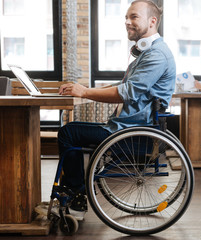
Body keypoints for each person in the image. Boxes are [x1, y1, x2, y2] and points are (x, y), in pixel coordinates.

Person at [57, 0, 176, 210]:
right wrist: (84, 87)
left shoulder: (156, 55)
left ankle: (76, 197)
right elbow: (127, 86)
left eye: (134, 17)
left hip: (133, 132)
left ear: (152, 21)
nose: (128, 22)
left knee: (68, 132)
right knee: (73, 131)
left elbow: (128, 92)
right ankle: (75, 192)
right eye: (126, 17)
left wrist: (85, 92)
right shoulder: (150, 52)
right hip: (129, 127)